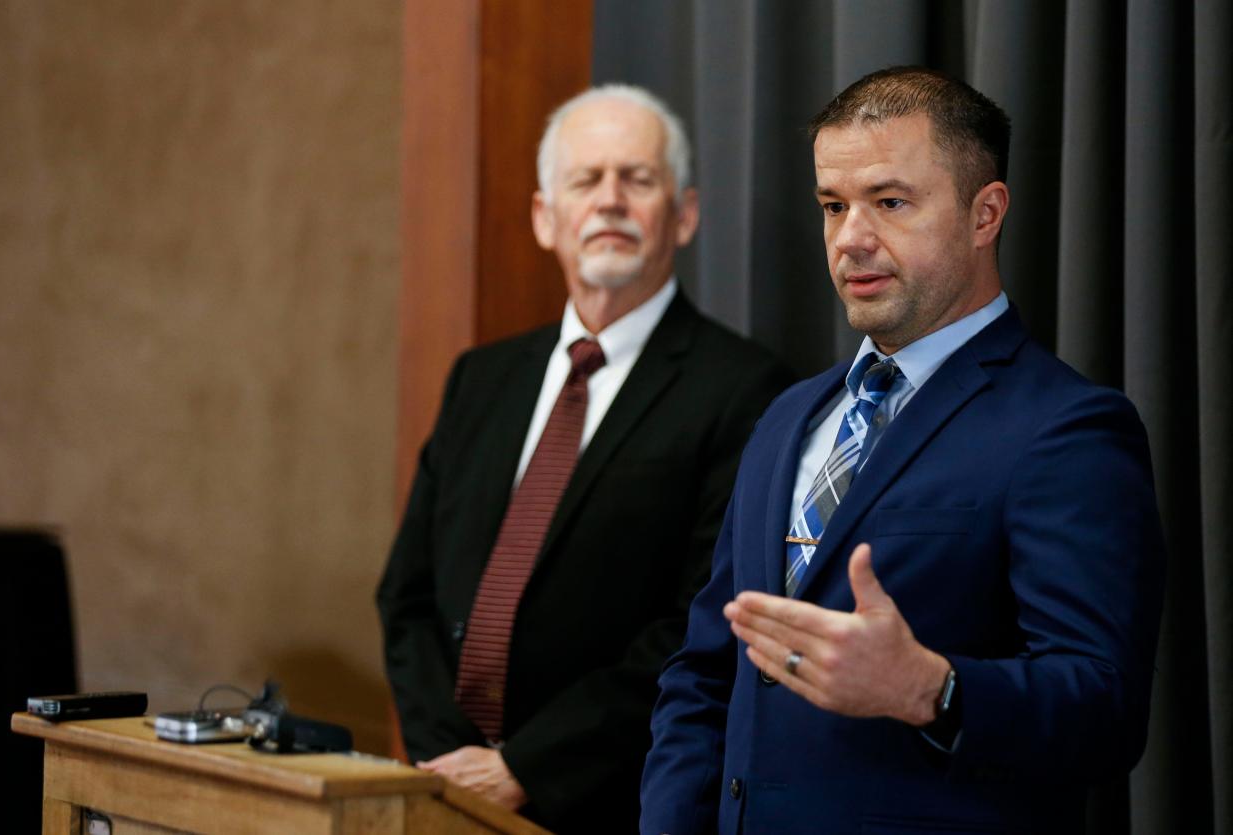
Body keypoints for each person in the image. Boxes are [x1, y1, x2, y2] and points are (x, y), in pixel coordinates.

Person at [640, 66, 1166, 834]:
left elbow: (1105, 709)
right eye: (832, 205)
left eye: (889, 202)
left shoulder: (1068, 428)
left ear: (985, 214)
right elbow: (706, 669)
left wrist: (931, 687)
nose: (852, 237)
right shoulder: (787, 416)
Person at [376, 84, 793, 834]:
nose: (609, 201)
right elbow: (406, 597)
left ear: (685, 213)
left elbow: (698, 625)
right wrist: (454, 764)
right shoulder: (481, 377)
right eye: (585, 180)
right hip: (444, 795)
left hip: (611, 804)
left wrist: (524, 768)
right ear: (545, 217)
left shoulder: (746, 390)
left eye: (637, 179)